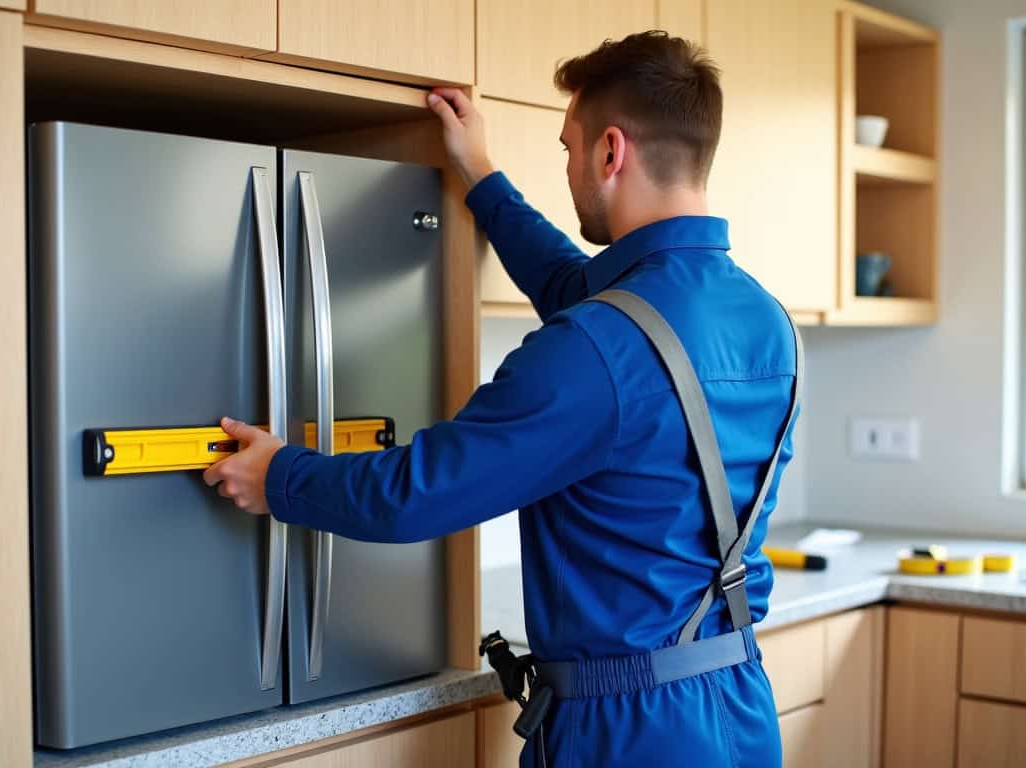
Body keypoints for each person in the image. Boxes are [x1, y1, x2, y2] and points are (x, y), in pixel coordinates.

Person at [205, 31, 796, 768]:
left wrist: (278, 477)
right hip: (739, 706)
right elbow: (572, 286)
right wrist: (480, 176)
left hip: (629, 734)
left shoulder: (595, 348)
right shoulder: (767, 323)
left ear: (611, 153)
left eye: (569, 149)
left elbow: (416, 494)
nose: (572, 168)